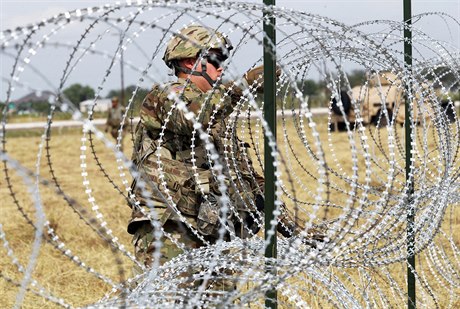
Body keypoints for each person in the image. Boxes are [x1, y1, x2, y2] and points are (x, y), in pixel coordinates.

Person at [127, 25, 323, 292]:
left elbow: (248, 181)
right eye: (215, 60)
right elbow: (193, 117)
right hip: (171, 230)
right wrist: (244, 86)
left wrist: (293, 226)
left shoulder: (219, 119)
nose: (221, 69)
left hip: (213, 232)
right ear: (188, 61)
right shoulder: (164, 97)